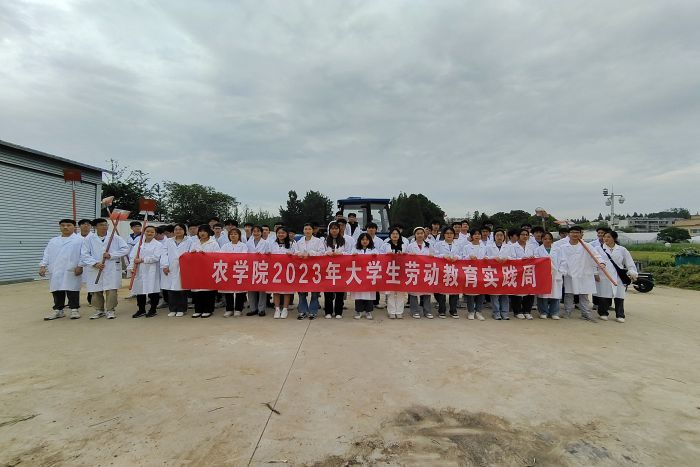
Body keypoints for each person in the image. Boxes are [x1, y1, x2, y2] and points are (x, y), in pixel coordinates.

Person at [80, 218, 130, 320]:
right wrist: (94, 263)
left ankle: (110, 310)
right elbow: (84, 254)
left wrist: (111, 255)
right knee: (96, 291)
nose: (104, 227)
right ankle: (99, 310)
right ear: (95, 227)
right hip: (95, 269)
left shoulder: (115, 237)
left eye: (106, 224)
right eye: (101, 225)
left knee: (111, 290)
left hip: (111, 267)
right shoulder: (88, 239)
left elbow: (125, 249)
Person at [39, 219, 84, 320]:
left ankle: (74, 309)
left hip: (72, 268)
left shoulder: (80, 240)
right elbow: (46, 254)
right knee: (56, 289)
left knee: (72, 289)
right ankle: (58, 310)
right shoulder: (53, 240)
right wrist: (42, 266)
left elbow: (83, 254)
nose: (65, 227)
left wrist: (80, 266)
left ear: (74, 227)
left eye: (68, 225)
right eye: (63, 225)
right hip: (56, 269)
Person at [558, 226, 603, 321]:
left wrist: (601, 263)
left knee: (584, 294)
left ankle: (586, 313)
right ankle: (567, 312)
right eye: (572, 232)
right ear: (568, 234)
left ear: (580, 234)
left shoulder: (587, 246)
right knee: (569, 294)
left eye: (577, 232)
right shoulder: (563, 247)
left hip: (584, 274)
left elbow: (596, 256)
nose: (575, 234)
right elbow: (560, 260)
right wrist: (562, 272)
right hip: (570, 274)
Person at [594, 231, 638, 323]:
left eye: (608, 237)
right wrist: (595, 273)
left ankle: (620, 314)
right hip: (604, 275)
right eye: (604, 237)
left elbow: (629, 262)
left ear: (614, 238)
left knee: (619, 295)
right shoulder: (598, 249)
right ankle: (603, 313)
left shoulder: (622, 250)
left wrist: (632, 272)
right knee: (603, 295)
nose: (605, 239)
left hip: (618, 276)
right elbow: (593, 262)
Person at [129, 225, 163, 318]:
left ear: (155, 233)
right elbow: (132, 256)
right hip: (139, 270)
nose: (149, 233)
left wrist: (142, 260)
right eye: (147, 231)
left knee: (153, 290)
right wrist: (131, 267)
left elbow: (156, 257)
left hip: (152, 270)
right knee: (140, 291)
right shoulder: (139, 244)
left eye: (152, 232)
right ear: (144, 232)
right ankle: (141, 310)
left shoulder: (158, 245)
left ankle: (153, 309)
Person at [189, 224, 221, 318]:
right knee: (197, 291)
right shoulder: (195, 243)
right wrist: (192, 253)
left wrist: (206, 255)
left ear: (208, 232)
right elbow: (189, 256)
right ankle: (198, 310)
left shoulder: (213, 243)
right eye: (200, 231)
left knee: (208, 291)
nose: (202, 233)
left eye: (204, 231)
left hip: (208, 270)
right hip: (197, 270)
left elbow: (218, 256)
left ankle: (208, 310)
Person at [295, 223, 325, 320]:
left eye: (309, 229)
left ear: (313, 230)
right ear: (303, 230)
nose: (307, 231)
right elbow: (295, 251)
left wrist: (310, 253)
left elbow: (322, 252)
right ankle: (303, 311)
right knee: (301, 292)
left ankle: (313, 311)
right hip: (302, 270)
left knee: (315, 292)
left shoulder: (318, 241)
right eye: (306, 229)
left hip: (314, 269)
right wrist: (299, 254)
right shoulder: (299, 241)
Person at [161, 223, 190, 317]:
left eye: (180, 229)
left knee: (182, 290)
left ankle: (182, 309)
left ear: (184, 231)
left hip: (183, 267)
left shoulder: (189, 241)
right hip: (170, 267)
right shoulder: (168, 241)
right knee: (171, 289)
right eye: (176, 229)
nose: (178, 231)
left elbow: (191, 254)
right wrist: (165, 265)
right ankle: (173, 309)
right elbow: (164, 253)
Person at [534, 232, 565, 319]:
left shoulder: (558, 249)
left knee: (555, 294)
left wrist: (560, 271)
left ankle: (554, 312)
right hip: (543, 275)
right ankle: (543, 312)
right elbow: (536, 262)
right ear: (542, 240)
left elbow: (563, 261)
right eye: (545, 239)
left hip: (555, 274)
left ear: (552, 240)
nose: (547, 240)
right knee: (543, 294)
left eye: (549, 239)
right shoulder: (537, 250)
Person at [434, 226, 463, 318]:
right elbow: (435, 255)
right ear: (444, 235)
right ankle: (442, 310)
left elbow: (462, 255)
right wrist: (443, 256)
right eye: (447, 233)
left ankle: (453, 310)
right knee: (441, 291)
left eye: (451, 233)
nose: (449, 235)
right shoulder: (438, 244)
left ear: (454, 235)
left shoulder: (458, 245)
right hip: (442, 269)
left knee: (454, 290)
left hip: (455, 269)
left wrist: (457, 257)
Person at [323, 221, 351, 319]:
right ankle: (328, 311)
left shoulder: (344, 241)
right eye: (332, 229)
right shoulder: (325, 240)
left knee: (340, 291)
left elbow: (349, 253)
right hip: (328, 269)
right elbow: (321, 252)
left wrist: (341, 254)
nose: (334, 230)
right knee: (328, 291)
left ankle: (339, 312)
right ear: (329, 230)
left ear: (339, 230)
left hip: (341, 269)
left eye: (336, 228)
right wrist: (326, 253)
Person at [406, 227, 434, 319]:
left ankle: (427, 311)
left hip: (426, 270)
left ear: (424, 234)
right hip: (414, 270)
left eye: (421, 233)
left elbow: (435, 255)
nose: (420, 235)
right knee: (414, 292)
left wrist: (432, 256)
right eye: (418, 233)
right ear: (415, 235)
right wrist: (410, 256)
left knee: (426, 292)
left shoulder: (428, 245)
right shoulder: (410, 246)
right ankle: (415, 311)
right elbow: (405, 257)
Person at [485, 228, 514, 320]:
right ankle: (496, 312)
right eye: (497, 235)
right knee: (495, 294)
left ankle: (505, 313)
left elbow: (514, 257)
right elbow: (485, 257)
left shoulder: (509, 247)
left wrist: (507, 258)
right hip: (494, 272)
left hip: (505, 272)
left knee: (505, 294)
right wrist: (493, 258)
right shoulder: (489, 247)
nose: (499, 237)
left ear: (504, 237)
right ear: (494, 237)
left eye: (501, 235)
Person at [269, 227, 296, 319]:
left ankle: (285, 309)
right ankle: (277, 309)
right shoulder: (272, 243)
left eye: (283, 233)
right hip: (275, 270)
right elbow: (268, 254)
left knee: (286, 291)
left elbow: (296, 254)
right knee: (276, 290)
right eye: (279, 233)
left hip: (287, 270)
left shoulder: (292, 244)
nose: (281, 234)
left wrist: (291, 255)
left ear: (286, 234)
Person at [220, 227, 248, 317]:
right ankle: (229, 309)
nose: (233, 235)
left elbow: (243, 256)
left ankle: (239, 309)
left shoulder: (243, 246)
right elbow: (221, 256)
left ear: (239, 236)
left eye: (235, 234)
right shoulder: (225, 246)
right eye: (231, 234)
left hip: (239, 269)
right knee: (228, 290)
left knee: (240, 290)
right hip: (228, 270)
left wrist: (230, 258)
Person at [510, 228, 537, 320]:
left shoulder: (532, 246)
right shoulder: (513, 246)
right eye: (523, 234)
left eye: (526, 235)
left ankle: (527, 311)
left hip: (529, 271)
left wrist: (533, 257)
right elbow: (511, 258)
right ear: (518, 236)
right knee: (517, 291)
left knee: (529, 291)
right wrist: (521, 260)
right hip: (518, 272)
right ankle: (517, 311)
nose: (525, 236)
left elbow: (536, 257)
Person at [245, 225, 270, 317]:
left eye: (258, 231)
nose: (256, 233)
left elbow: (269, 255)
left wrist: (263, 255)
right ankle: (253, 308)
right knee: (251, 288)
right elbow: (245, 255)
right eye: (254, 231)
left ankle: (261, 309)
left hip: (262, 267)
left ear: (261, 232)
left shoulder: (266, 243)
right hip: (251, 267)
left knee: (261, 289)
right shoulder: (248, 243)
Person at [352, 233, 377, 320]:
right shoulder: (355, 249)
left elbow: (379, 260)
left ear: (370, 241)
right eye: (363, 239)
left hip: (369, 275)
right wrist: (353, 256)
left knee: (369, 294)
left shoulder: (374, 250)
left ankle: (368, 311)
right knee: (358, 294)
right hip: (358, 275)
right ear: (360, 241)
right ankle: (358, 311)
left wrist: (375, 257)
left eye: (366, 239)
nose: (365, 241)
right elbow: (349, 260)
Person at [463, 228, 487, 320]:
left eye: (478, 234)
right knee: (470, 292)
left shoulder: (484, 246)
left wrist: (486, 258)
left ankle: (478, 311)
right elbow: (462, 258)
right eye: (475, 234)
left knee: (481, 292)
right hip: (470, 271)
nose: (477, 236)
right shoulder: (466, 247)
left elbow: (488, 256)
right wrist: (469, 257)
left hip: (481, 271)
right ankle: (471, 311)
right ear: (471, 236)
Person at [384, 228, 407, 319]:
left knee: (401, 291)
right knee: (391, 292)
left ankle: (399, 311)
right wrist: (387, 254)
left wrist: (403, 254)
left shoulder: (404, 245)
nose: (395, 235)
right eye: (393, 233)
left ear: (399, 235)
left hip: (401, 270)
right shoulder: (386, 244)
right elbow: (380, 255)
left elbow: (408, 256)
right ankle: (391, 311)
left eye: (397, 233)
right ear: (390, 235)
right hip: (390, 270)